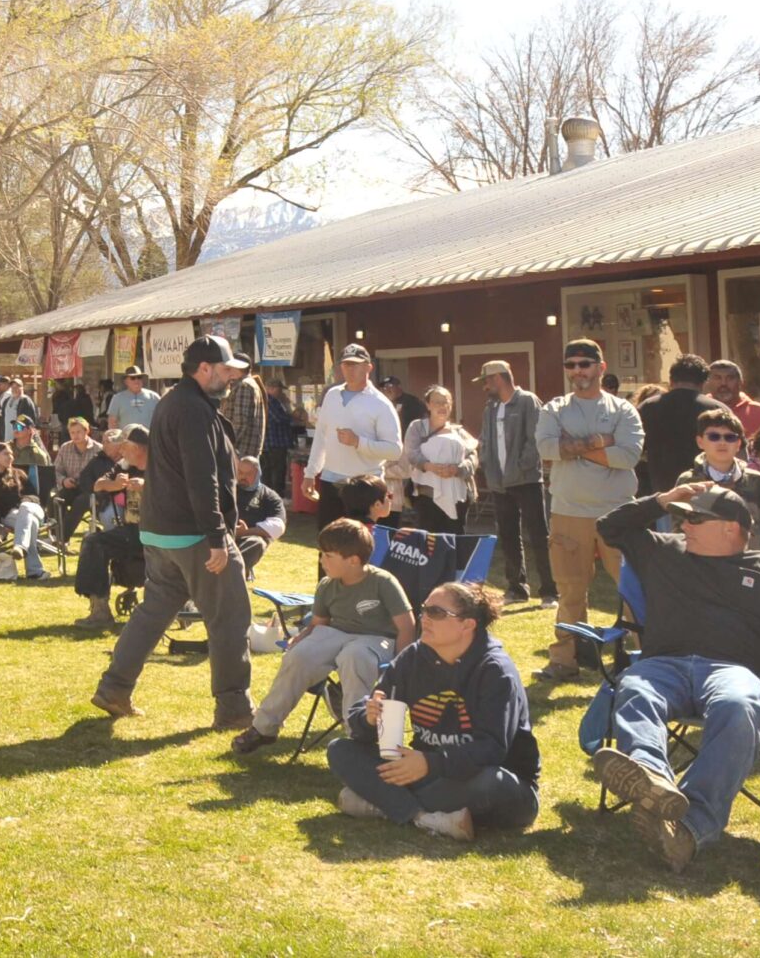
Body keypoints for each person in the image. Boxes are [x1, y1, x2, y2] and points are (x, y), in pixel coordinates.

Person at [590, 483, 760, 871]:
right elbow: (610, 526)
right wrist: (663, 500)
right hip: (665, 664)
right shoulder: (664, 550)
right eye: (682, 517)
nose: (684, 524)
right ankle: (655, 781)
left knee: (740, 705)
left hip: (735, 672)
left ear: (732, 528)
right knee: (635, 688)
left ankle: (688, 827)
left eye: (696, 518)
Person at [96, 335, 257, 729]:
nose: (230, 378)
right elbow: (202, 478)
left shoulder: (175, 401)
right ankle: (234, 710)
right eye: (224, 370)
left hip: (160, 530)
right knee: (230, 618)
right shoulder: (193, 410)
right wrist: (217, 536)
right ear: (204, 369)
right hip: (193, 534)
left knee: (154, 612)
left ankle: (114, 688)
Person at [325, 582, 538, 840]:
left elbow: (491, 749)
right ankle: (424, 817)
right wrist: (368, 718)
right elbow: (367, 722)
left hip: (492, 781)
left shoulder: (495, 671)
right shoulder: (414, 657)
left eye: (436, 613)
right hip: (423, 769)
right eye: (424, 609)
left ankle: (382, 803)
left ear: (467, 625)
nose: (424, 618)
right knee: (340, 750)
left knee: (487, 781)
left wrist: (430, 764)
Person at [232, 517, 417, 753]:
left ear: (353, 561)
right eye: (322, 553)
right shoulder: (327, 585)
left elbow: (406, 626)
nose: (322, 560)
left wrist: (400, 663)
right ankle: (264, 728)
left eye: (328, 556)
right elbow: (318, 624)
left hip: (375, 639)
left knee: (355, 656)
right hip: (335, 634)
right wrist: (302, 637)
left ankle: (358, 737)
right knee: (299, 656)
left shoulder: (383, 582)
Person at [536, 339, 646, 681]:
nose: (577, 371)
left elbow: (629, 456)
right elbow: (546, 448)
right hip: (568, 512)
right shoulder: (553, 409)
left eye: (585, 364)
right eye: (571, 365)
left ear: (601, 367)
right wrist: (600, 442)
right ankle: (564, 660)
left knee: (633, 587)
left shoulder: (623, 410)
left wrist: (574, 446)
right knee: (570, 590)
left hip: (618, 514)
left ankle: (646, 656)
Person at [307, 345, 402, 540]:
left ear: (368, 368)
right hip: (331, 481)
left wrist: (359, 442)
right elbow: (321, 436)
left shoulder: (381, 404)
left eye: (355, 365)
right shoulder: (332, 395)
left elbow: (395, 450)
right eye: (345, 364)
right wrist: (310, 473)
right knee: (327, 544)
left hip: (364, 488)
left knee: (360, 547)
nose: (349, 369)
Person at [474, 359, 549, 604]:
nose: (485, 386)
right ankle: (517, 588)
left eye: (487, 380)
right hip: (499, 483)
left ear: (499, 378)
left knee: (538, 534)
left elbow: (536, 438)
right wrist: (488, 465)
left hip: (526, 480)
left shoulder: (527, 401)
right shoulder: (490, 408)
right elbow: (484, 440)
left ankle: (549, 590)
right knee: (508, 534)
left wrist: (520, 468)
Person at [675, 409, 760, 553]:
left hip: (750, 565)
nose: (722, 442)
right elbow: (679, 528)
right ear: (700, 441)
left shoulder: (757, 481)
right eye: (714, 437)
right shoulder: (689, 481)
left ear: (738, 444)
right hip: (704, 566)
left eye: (730, 437)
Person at [72, 426, 148, 630]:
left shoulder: (162, 464)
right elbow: (97, 485)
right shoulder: (125, 464)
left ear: (139, 448)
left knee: (97, 542)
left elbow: (177, 493)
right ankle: (99, 610)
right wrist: (115, 485)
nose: (120, 451)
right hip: (134, 530)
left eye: (125, 446)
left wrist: (146, 486)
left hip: (161, 532)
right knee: (93, 542)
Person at [635, 356, 724, 494]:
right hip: (706, 493)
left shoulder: (648, 407)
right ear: (704, 382)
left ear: (671, 381)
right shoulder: (717, 410)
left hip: (659, 493)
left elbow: (633, 449)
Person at [401, 386, 479, 534]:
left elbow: (473, 457)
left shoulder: (459, 431)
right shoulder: (417, 427)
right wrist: (431, 467)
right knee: (429, 540)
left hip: (458, 497)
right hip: (426, 496)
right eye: (437, 402)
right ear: (428, 405)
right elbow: (411, 453)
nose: (442, 406)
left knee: (455, 538)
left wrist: (457, 469)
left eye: (446, 402)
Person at [0, 442, 53, 581]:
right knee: (30, 524)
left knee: (26, 509)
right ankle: (34, 571)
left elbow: (34, 496)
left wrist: (25, 501)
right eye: (5, 454)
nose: (10, 457)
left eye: (11, 454)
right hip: (9, 515)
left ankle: (20, 546)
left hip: (33, 509)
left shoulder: (19, 473)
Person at [231, 455, 287, 573]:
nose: (243, 477)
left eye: (249, 474)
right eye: (240, 472)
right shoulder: (227, 489)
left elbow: (278, 526)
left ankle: (233, 573)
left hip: (248, 539)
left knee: (257, 543)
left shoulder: (269, 496)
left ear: (258, 474)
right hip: (224, 535)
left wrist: (246, 532)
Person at [52, 416, 102, 535]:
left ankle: (63, 537)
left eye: (79, 432)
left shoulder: (99, 450)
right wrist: (64, 481)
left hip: (91, 490)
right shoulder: (65, 448)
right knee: (56, 499)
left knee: (81, 502)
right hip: (71, 487)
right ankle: (54, 535)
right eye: (72, 432)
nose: (75, 435)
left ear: (87, 431)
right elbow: (56, 471)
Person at [105, 365, 161, 436]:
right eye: (133, 378)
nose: (136, 380)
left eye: (139, 377)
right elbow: (112, 422)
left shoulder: (154, 397)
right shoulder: (118, 398)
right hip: (126, 442)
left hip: (149, 440)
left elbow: (162, 419)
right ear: (126, 381)